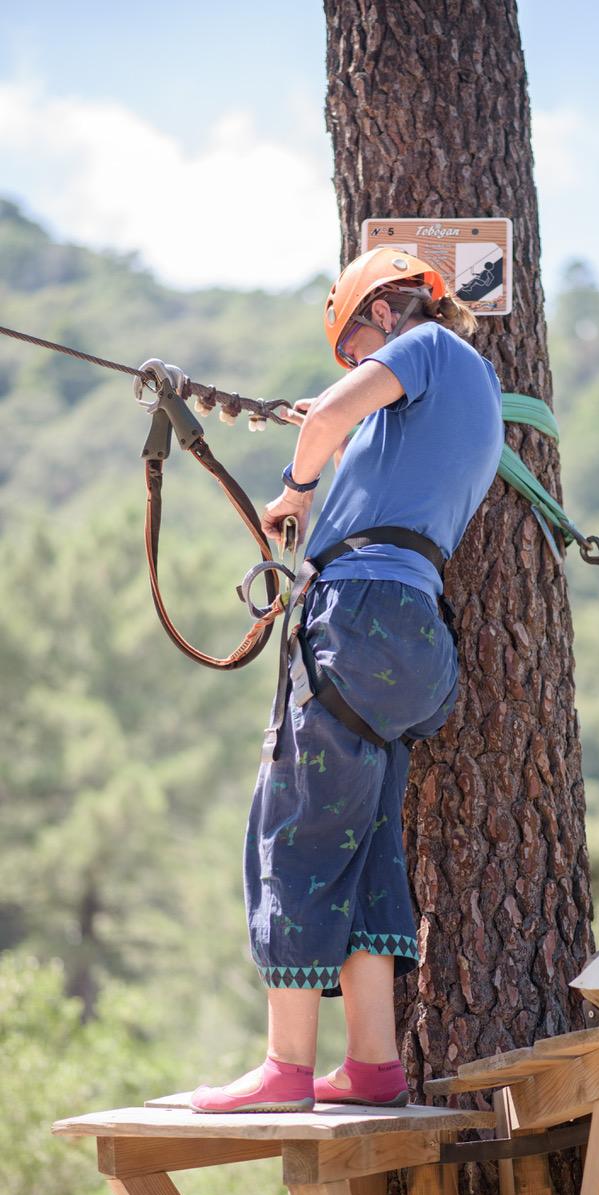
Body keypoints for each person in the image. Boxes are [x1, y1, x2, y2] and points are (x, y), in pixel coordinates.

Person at [191, 246, 504, 1113]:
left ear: (386, 309)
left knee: (291, 825)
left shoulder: (428, 348)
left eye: (359, 345)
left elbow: (328, 418)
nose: (360, 362)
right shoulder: (466, 399)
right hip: (414, 647)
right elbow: (350, 424)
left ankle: (286, 1068)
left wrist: (295, 488)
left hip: (362, 616)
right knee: (367, 845)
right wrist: (334, 425)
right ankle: (372, 1061)